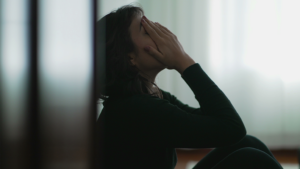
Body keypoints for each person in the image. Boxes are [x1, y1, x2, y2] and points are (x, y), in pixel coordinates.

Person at [96, 4, 283, 169]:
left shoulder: (150, 96)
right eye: (147, 31)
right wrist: (184, 63)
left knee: (247, 143)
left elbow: (217, 123)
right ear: (130, 58)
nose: (161, 34)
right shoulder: (137, 109)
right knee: (252, 158)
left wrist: (184, 61)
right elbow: (231, 127)